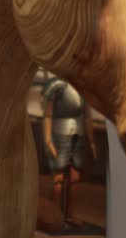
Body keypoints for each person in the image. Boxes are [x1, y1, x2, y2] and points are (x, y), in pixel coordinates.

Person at [41, 69, 98, 227]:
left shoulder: (83, 89)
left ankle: (70, 214)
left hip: (78, 135)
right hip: (60, 135)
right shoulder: (56, 87)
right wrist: (47, 139)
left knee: (74, 178)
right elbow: (47, 115)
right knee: (59, 179)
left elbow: (87, 116)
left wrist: (92, 142)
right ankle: (55, 215)